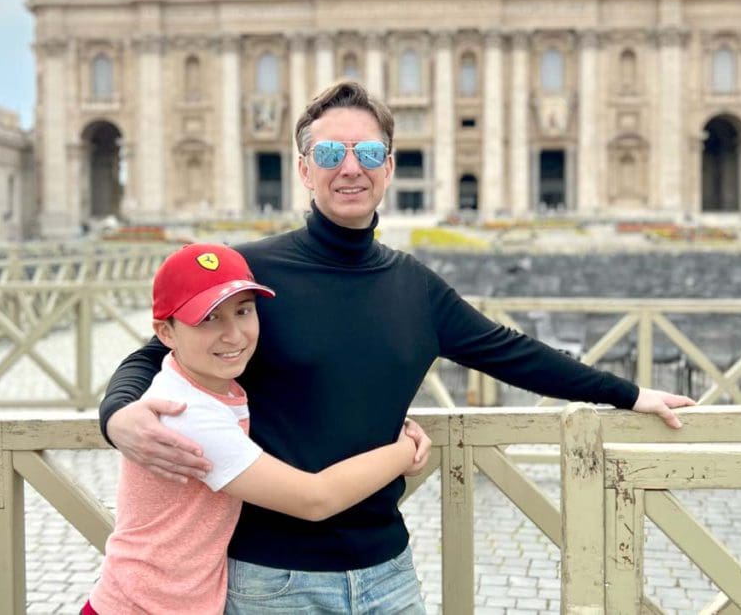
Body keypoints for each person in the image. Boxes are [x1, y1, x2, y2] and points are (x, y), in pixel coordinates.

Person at [101, 80, 695, 613]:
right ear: (305, 169)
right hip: (272, 578)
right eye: (331, 154)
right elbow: (154, 352)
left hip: (388, 570)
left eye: (369, 153)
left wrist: (631, 394)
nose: (350, 168)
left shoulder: (416, 287)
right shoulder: (251, 274)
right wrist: (118, 415)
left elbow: (513, 353)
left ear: (389, 167)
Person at [86, 242, 429, 615]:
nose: (233, 335)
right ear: (165, 333)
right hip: (140, 606)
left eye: (243, 311)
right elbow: (314, 499)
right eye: (208, 319)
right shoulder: (187, 411)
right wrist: (403, 450)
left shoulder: (215, 386)